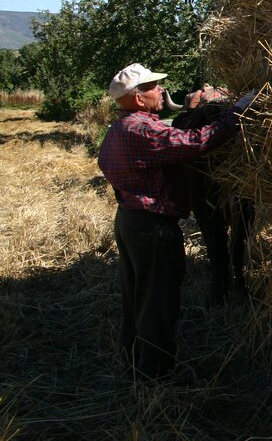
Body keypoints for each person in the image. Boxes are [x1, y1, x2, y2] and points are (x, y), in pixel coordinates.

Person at [97, 63, 254, 380]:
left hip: (128, 220)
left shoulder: (117, 130)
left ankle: (133, 360)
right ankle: (156, 375)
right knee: (159, 300)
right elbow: (198, 142)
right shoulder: (144, 131)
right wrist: (238, 109)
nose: (161, 91)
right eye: (154, 87)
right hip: (153, 228)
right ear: (139, 98)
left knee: (137, 296)